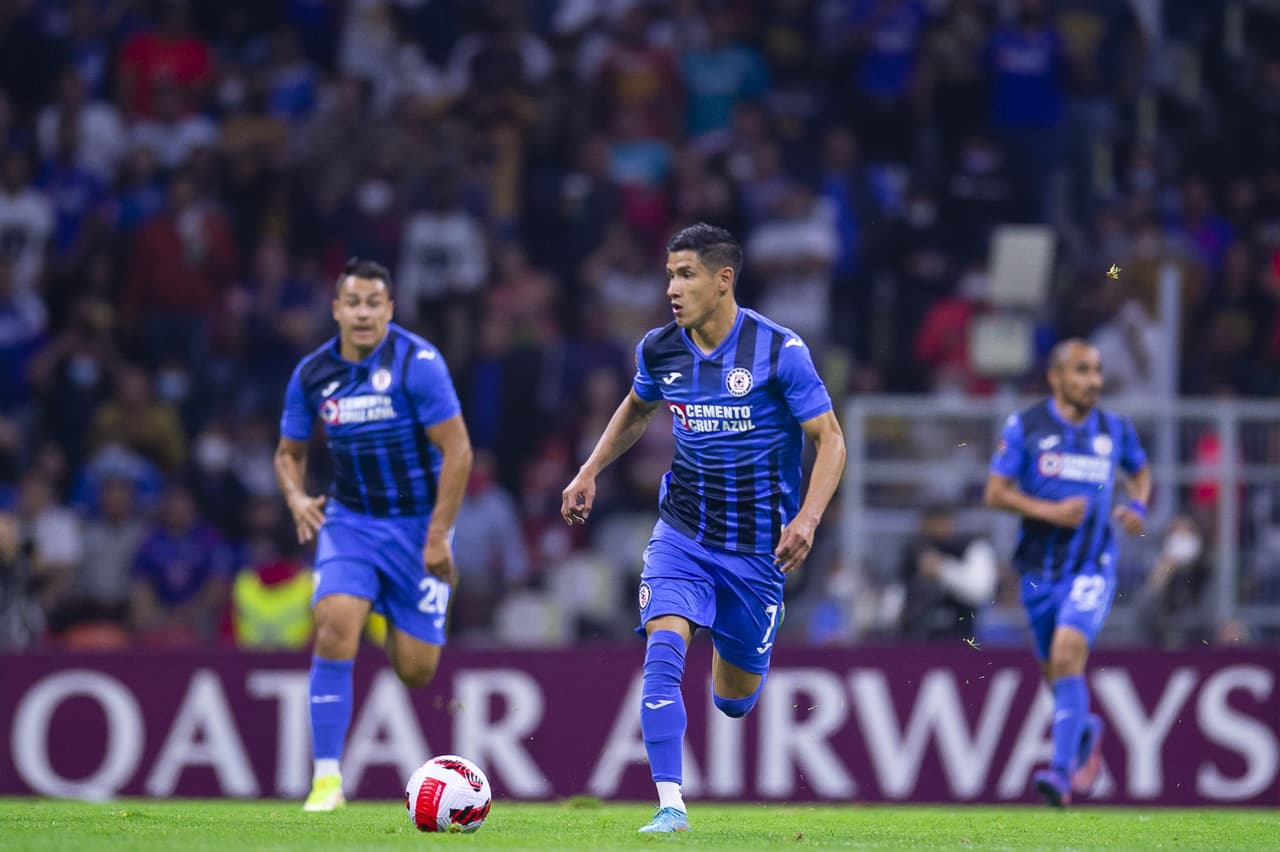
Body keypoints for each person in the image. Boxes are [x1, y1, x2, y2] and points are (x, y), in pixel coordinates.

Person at [560, 223, 846, 833]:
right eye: (669, 275)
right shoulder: (660, 348)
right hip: (683, 533)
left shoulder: (779, 350)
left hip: (757, 552)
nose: (673, 287)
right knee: (663, 647)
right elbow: (637, 409)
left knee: (733, 700)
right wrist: (589, 472)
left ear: (724, 280)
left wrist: (809, 517)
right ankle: (670, 805)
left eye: (686, 274)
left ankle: (737, 659)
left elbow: (830, 440)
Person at [275, 258, 472, 812]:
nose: (362, 313)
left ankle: (388, 604)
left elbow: (458, 451)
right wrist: (295, 496)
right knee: (334, 624)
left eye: (373, 304)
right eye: (352, 303)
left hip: (416, 528)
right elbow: (288, 453)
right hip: (350, 523)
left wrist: (437, 536)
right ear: (336, 309)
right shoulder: (312, 374)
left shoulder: (419, 363)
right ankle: (326, 781)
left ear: (390, 309)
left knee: (416, 670)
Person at [984, 339, 1151, 808]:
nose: (1093, 381)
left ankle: (1060, 776)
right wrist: (1048, 511)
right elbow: (995, 493)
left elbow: (1140, 472)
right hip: (1037, 572)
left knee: (1067, 651)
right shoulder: (1026, 425)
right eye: (1081, 371)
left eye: (1096, 371)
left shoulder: (1114, 429)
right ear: (1056, 378)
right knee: (1055, 672)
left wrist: (1138, 504)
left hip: (1092, 566)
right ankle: (1083, 732)